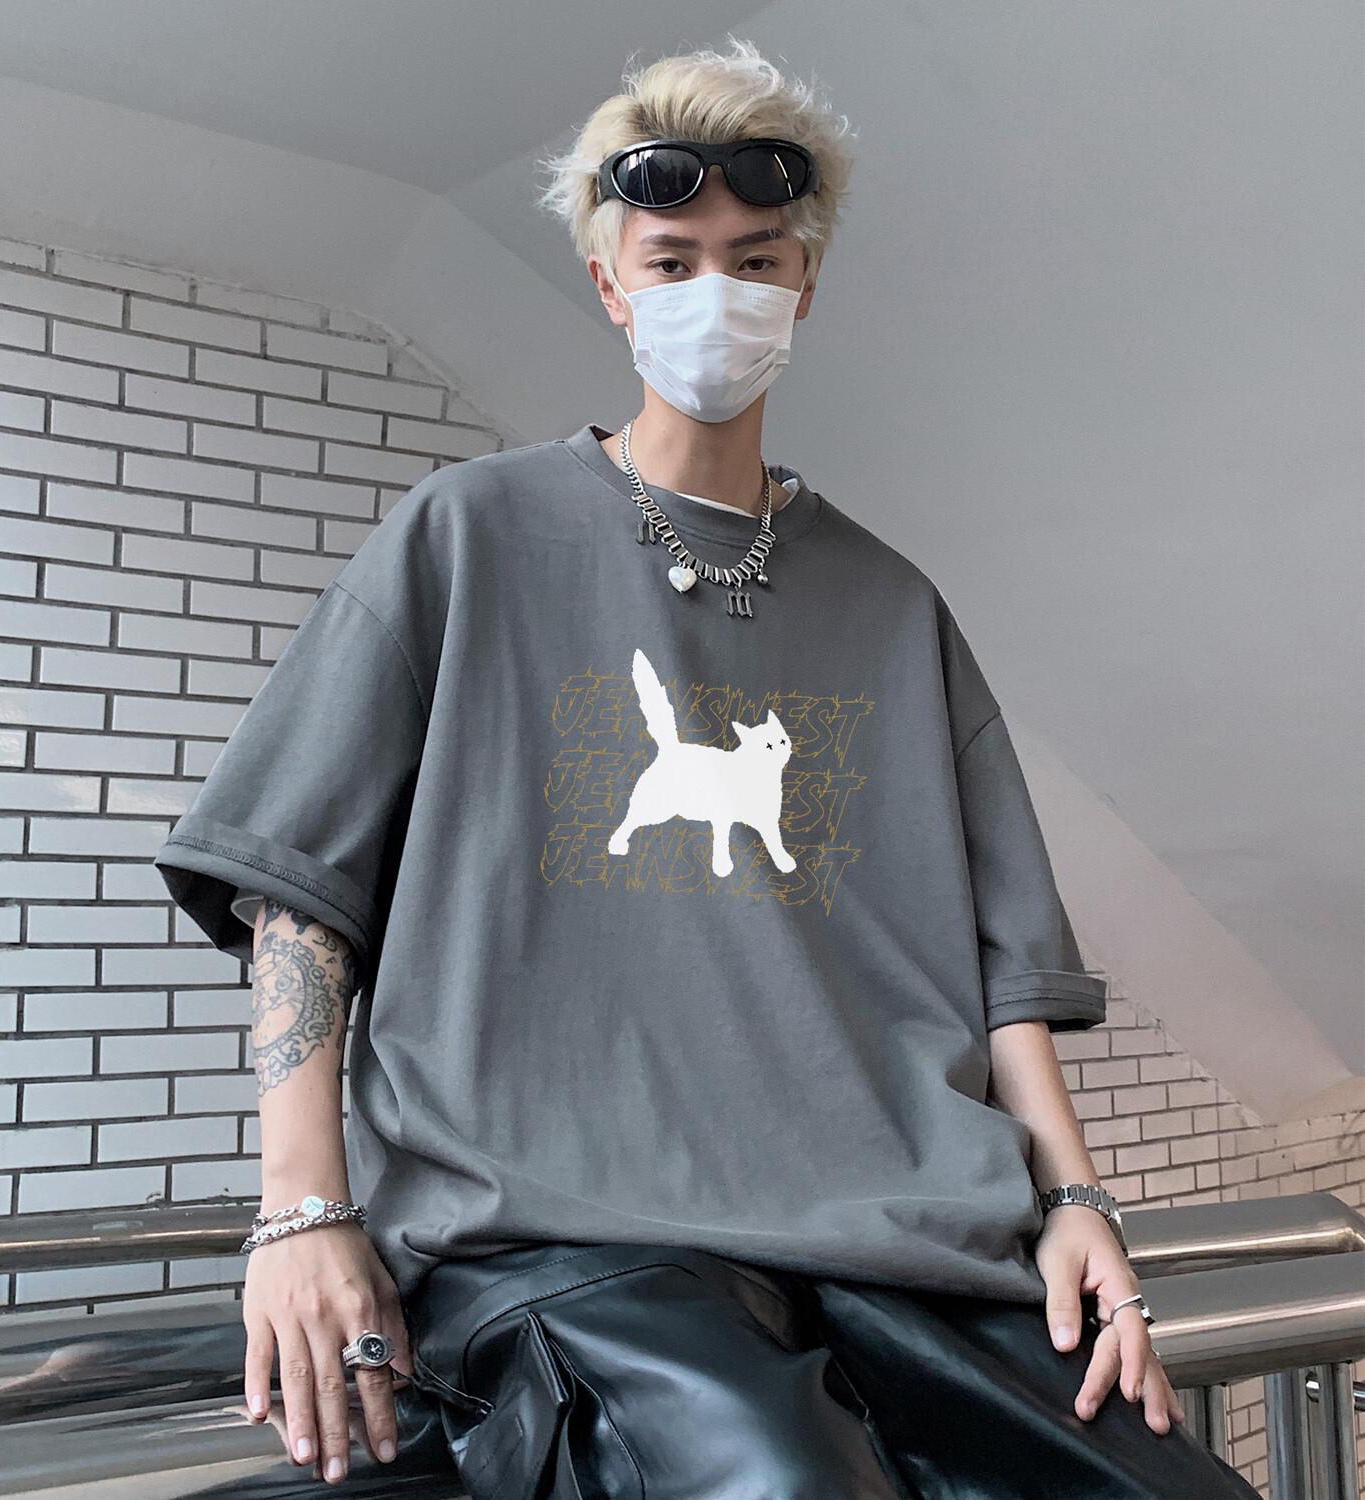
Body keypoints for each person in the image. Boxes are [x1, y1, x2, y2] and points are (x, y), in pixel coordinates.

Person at [153, 35, 1263, 1499]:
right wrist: (302, 1213)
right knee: (778, 1481)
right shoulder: (467, 538)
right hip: (562, 1235)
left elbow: (1005, 978)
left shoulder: (893, 607)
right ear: (610, 285)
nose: (714, 293)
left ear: (804, 286)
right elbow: (300, 890)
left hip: (898, 1237)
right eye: (671, 261)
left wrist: (1075, 1201)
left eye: (754, 260)